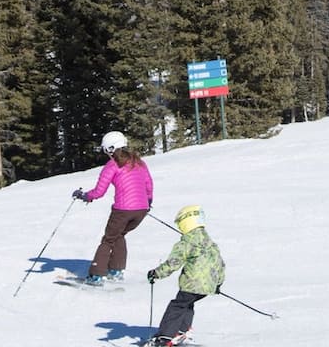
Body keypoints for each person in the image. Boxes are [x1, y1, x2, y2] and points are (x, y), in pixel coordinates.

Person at [70, 131, 154, 286]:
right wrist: (148, 202)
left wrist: (84, 196)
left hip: (122, 210)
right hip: (141, 210)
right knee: (119, 235)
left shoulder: (113, 165)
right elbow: (149, 184)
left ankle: (96, 276)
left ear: (110, 149)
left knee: (108, 240)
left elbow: (99, 191)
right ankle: (116, 271)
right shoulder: (139, 162)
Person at [145, 205, 227, 347]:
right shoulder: (210, 242)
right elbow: (219, 263)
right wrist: (218, 283)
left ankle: (164, 338)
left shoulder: (186, 243)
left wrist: (157, 273)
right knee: (187, 304)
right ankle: (182, 331)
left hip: (192, 283)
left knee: (177, 306)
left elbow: (174, 262)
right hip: (208, 285)